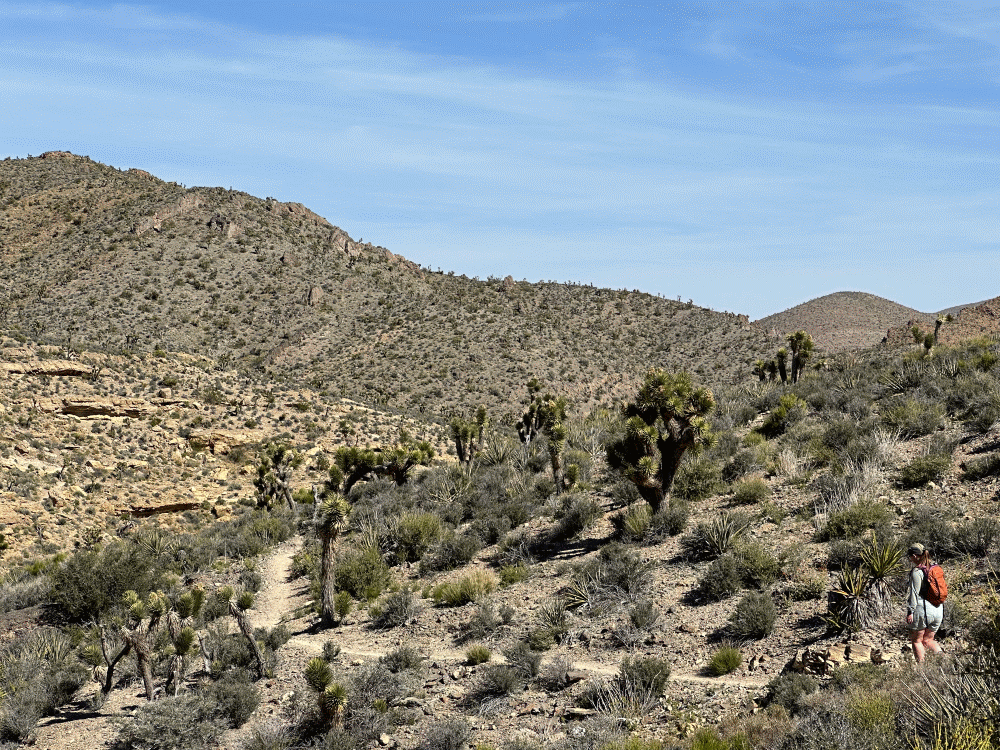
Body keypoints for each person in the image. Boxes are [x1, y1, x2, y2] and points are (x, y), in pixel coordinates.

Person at [906, 543, 943, 662]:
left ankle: (921, 672)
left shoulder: (917, 571)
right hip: (938, 608)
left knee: (917, 640)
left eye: (910, 556)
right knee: (928, 640)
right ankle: (944, 661)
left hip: (923, 609)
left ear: (915, 556)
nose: (910, 559)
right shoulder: (934, 567)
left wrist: (910, 611)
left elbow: (914, 593)